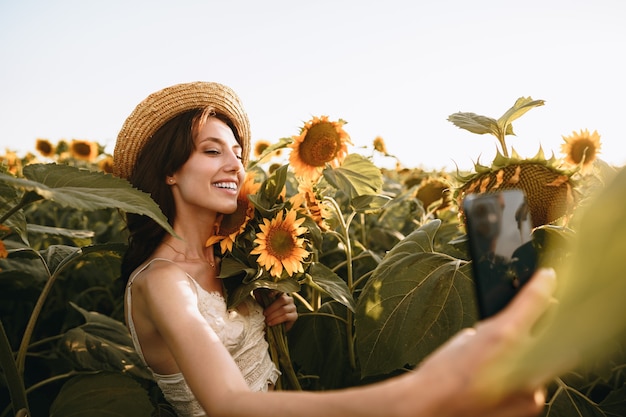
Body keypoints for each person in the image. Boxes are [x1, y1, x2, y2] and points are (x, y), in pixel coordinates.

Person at [113, 81, 557, 417]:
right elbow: (229, 403)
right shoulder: (163, 282)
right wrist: (424, 392)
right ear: (169, 170)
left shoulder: (232, 254)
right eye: (212, 152)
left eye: (237, 151)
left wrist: (271, 321)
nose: (234, 164)